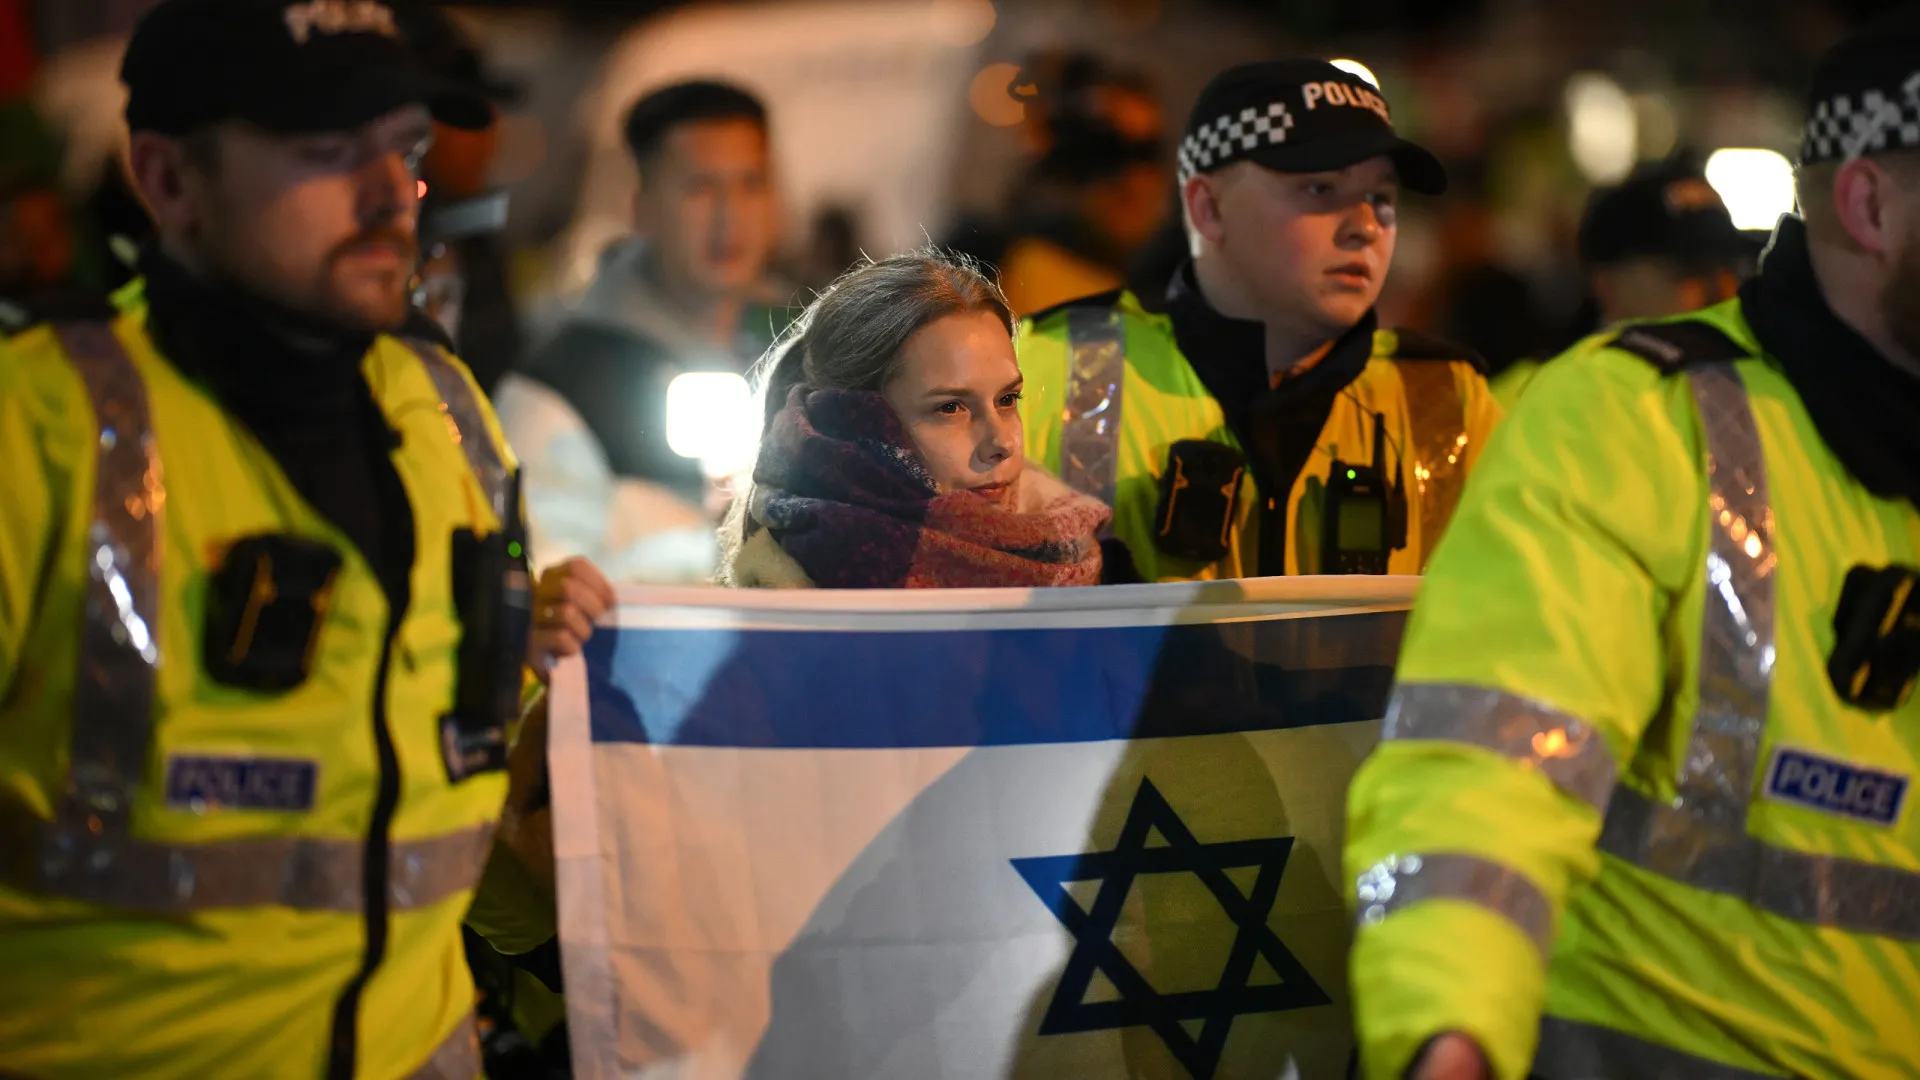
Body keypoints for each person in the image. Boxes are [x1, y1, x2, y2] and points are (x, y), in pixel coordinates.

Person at [0, 2, 611, 1076]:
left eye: (404, 151)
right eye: (325, 152)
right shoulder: (36, 433)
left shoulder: (447, 415)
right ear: (168, 180)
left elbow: (443, 813)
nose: (388, 197)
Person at [1343, 11, 1920, 1079]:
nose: (1701, 286)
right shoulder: (1627, 418)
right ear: (1870, 204)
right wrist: (1449, 1025)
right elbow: (1488, 760)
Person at [1018, 60, 1502, 582]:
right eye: (1320, 189)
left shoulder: (1446, 402)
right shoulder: (1046, 372)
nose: (1366, 226)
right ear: (1208, 208)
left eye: (1380, 196)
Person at [496, 80, 791, 585]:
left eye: (751, 184)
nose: (730, 215)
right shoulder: (565, 380)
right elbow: (549, 584)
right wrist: (716, 542)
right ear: (641, 208)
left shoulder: (806, 352)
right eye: (700, 187)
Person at [722, 251, 1113, 589]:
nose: (1002, 443)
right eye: (950, 408)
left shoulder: (1074, 548)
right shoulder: (786, 613)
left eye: (1007, 399)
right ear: (852, 426)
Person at [1488, 158, 1751, 406]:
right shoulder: (1520, 402)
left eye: (1733, 270)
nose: (1726, 293)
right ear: (1608, 286)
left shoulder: (1755, 390)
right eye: (1691, 272)